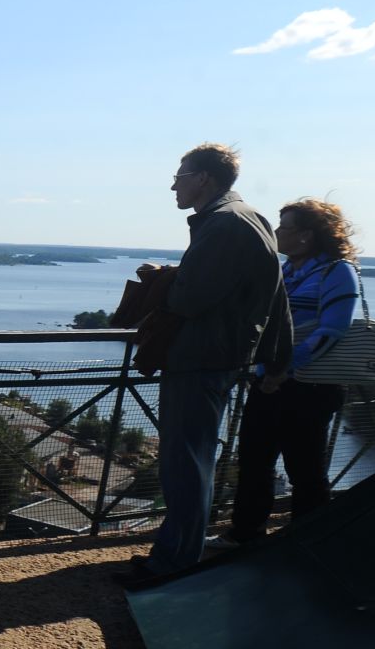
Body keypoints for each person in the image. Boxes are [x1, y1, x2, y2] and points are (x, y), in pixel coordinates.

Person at [122, 143, 290, 586]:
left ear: (204, 179)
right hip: (213, 357)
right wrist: (277, 356)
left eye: (181, 174)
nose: (174, 183)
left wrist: (164, 279)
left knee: (185, 463)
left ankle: (174, 565)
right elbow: (275, 298)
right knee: (191, 461)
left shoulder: (226, 225)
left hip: (200, 358)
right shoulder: (244, 220)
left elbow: (189, 299)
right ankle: (176, 554)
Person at [216, 199, 362, 545]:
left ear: (307, 236)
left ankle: (308, 540)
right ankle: (246, 533)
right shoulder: (287, 271)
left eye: (284, 227)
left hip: (310, 387)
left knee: (304, 469)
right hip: (269, 380)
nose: (277, 233)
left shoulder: (338, 271)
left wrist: (283, 368)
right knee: (254, 460)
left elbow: (332, 331)